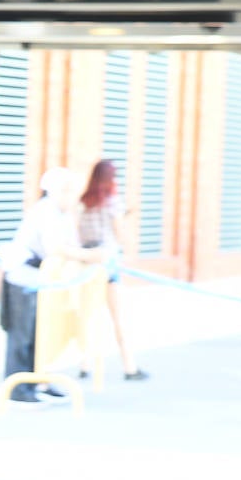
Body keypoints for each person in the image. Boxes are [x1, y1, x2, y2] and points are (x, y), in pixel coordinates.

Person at [0, 168, 107, 404]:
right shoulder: (45, 211)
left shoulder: (63, 214)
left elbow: (69, 245)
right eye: (66, 189)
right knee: (22, 334)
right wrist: (89, 256)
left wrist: (86, 255)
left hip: (45, 282)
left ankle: (39, 381)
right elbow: (55, 248)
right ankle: (18, 388)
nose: (71, 195)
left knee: (43, 332)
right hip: (24, 278)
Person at [78, 159, 148, 380]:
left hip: (86, 261)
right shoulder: (112, 202)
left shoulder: (83, 202)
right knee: (117, 316)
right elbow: (118, 232)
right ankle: (129, 366)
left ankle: (85, 364)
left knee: (87, 315)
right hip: (106, 261)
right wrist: (128, 249)